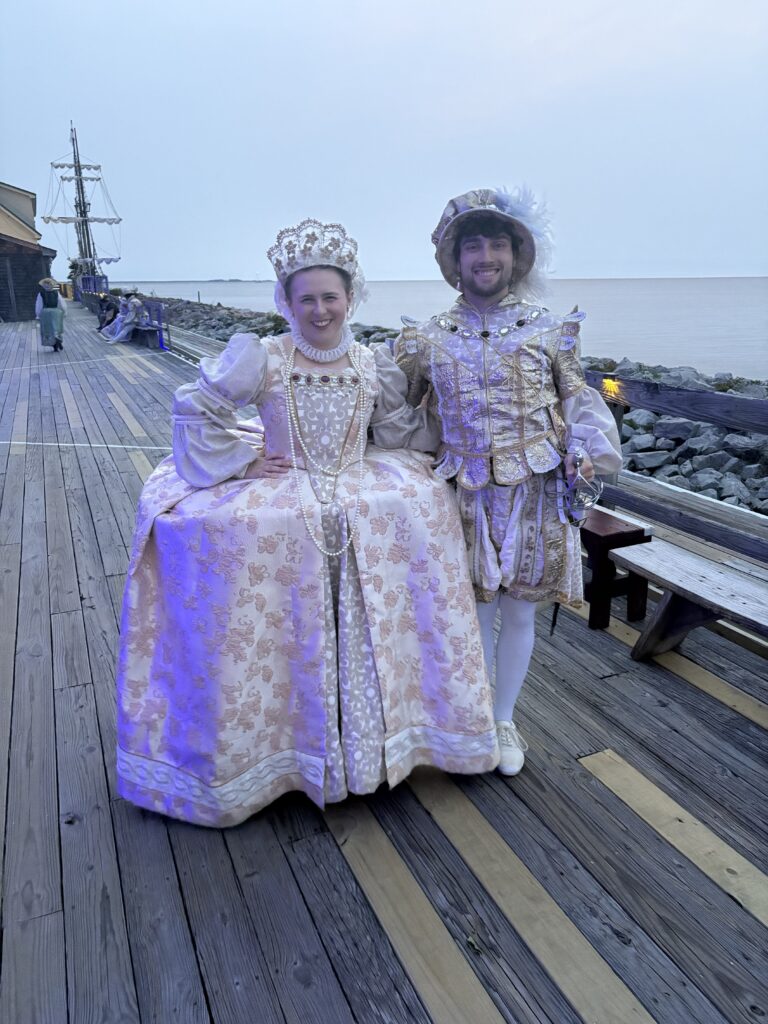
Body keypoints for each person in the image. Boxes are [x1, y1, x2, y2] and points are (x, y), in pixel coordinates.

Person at [116, 219, 498, 827]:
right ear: (287, 302)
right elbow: (196, 406)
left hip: (353, 482)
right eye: (307, 299)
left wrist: (449, 408)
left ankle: (371, 747)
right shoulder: (264, 356)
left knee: (399, 551)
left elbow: (398, 429)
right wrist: (243, 459)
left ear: (351, 297)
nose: (320, 310)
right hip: (283, 485)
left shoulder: (371, 363)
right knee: (269, 603)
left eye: (331, 297)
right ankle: (276, 751)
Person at [395, 187, 622, 775]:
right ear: (454, 257)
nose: (486, 256)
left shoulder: (549, 331)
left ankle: (503, 717)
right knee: (473, 611)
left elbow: (576, 401)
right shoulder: (425, 339)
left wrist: (589, 452)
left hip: (535, 485)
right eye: (474, 245)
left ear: (518, 254)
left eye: (498, 243)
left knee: (519, 609)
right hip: (460, 487)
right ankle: (469, 719)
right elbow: (398, 413)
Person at [35, 277, 66, 351]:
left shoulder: (41, 294)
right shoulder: (56, 293)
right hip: (56, 312)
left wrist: (38, 314)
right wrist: (64, 312)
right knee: (57, 329)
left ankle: (54, 346)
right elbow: (61, 304)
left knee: (49, 331)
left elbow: (39, 305)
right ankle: (59, 341)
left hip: (46, 313)